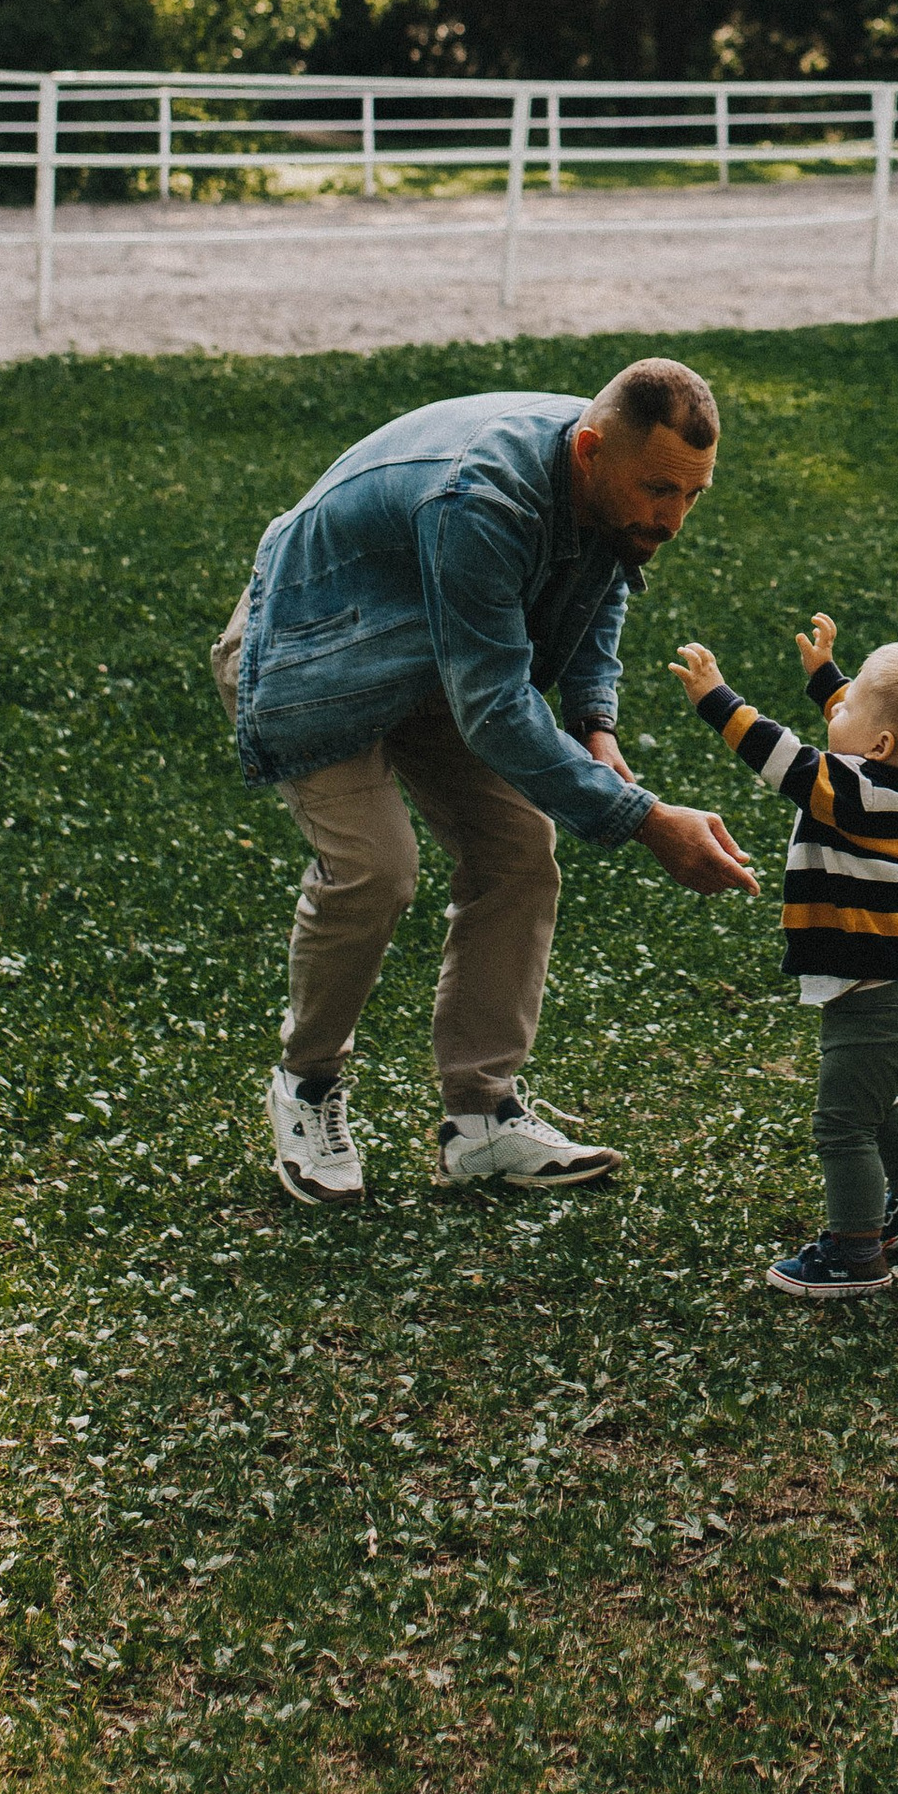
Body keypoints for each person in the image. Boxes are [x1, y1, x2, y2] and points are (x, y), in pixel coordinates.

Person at [214, 357, 758, 1207]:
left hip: (440, 646)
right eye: (659, 490)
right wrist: (646, 820)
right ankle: (307, 1085)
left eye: (693, 495)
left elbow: (605, 574)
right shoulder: (483, 500)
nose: (673, 518)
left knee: (517, 851)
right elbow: (497, 712)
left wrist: (594, 724)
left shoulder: (604, 475)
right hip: (313, 649)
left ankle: (481, 1120)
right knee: (376, 869)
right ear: (588, 451)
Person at [673, 612, 898, 1301]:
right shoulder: (892, 783)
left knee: (841, 1126)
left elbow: (779, 755)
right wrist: (827, 681)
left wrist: (717, 698)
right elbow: (858, 722)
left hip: (880, 1003)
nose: (832, 714)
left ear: (878, 743)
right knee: (874, 1101)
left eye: (849, 706)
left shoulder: (851, 790)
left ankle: (855, 1254)